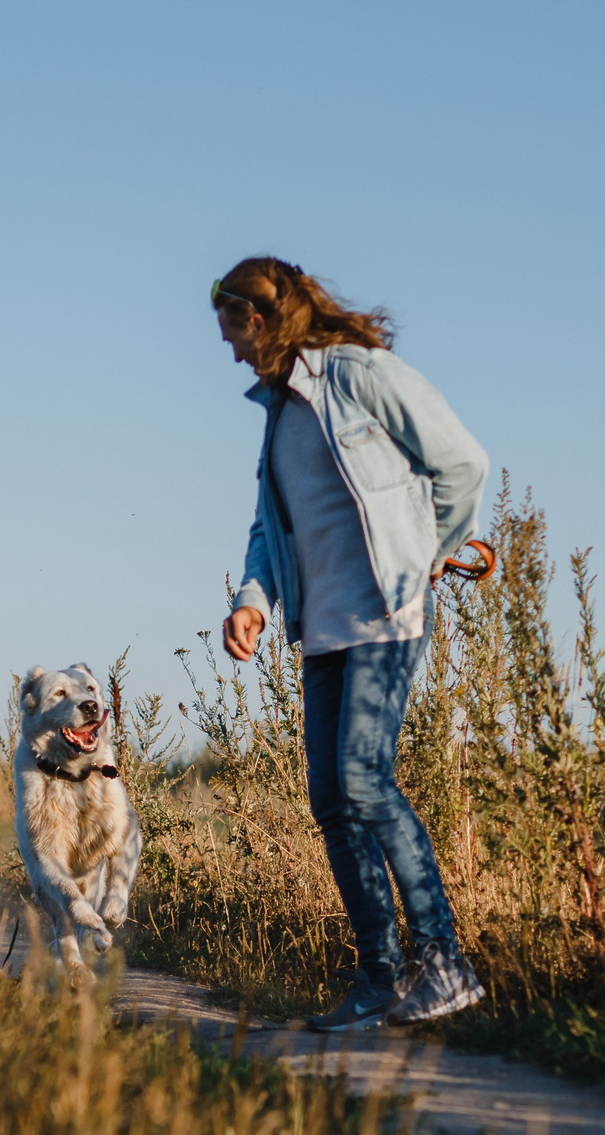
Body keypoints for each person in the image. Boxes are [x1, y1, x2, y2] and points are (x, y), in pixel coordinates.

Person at [211, 257, 490, 1031]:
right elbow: (271, 525)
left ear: (259, 320)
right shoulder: (278, 410)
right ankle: (379, 978)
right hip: (324, 629)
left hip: (388, 615)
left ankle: (446, 960)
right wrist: (253, 601)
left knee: (366, 780)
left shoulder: (362, 375)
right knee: (333, 802)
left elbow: (464, 464)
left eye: (231, 331)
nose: (229, 351)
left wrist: (431, 552)